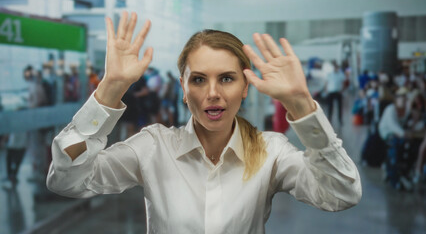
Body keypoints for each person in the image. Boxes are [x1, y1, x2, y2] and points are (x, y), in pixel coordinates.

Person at [47, 12, 361, 233]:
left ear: (245, 88)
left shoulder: (271, 151)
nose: (213, 93)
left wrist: (301, 104)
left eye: (226, 78)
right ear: (184, 90)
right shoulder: (153, 147)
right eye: (198, 79)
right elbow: (67, 181)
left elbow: (341, 194)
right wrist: (109, 89)